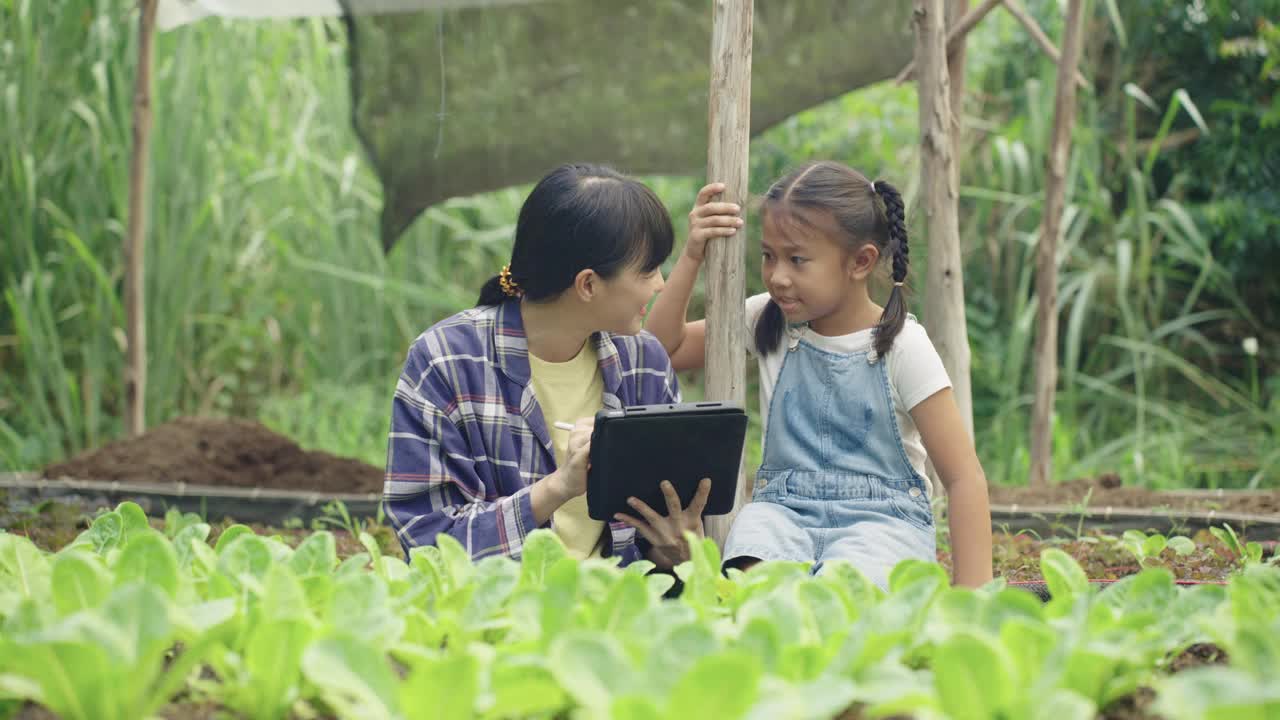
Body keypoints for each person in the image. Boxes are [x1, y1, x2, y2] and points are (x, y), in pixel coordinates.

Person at [646, 161, 993, 588]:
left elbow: (963, 477)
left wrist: (971, 599)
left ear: (861, 262)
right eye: (769, 256)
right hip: (781, 514)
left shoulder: (903, 346)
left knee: (845, 595)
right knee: (755, 589)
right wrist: (693, 254)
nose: (778, 277)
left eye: (797, 259)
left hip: (881, 521)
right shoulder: (765, 319)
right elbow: (664, 348)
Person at [383, 163, 710, 569]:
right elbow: (429, 542)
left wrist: (675, 547)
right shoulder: (446, 362)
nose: (660, 284)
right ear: (588, 284)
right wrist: (558, 487)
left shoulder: (644, 362)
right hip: (501, 614)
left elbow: (654, 550)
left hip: (624, 611)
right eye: (647, 270)